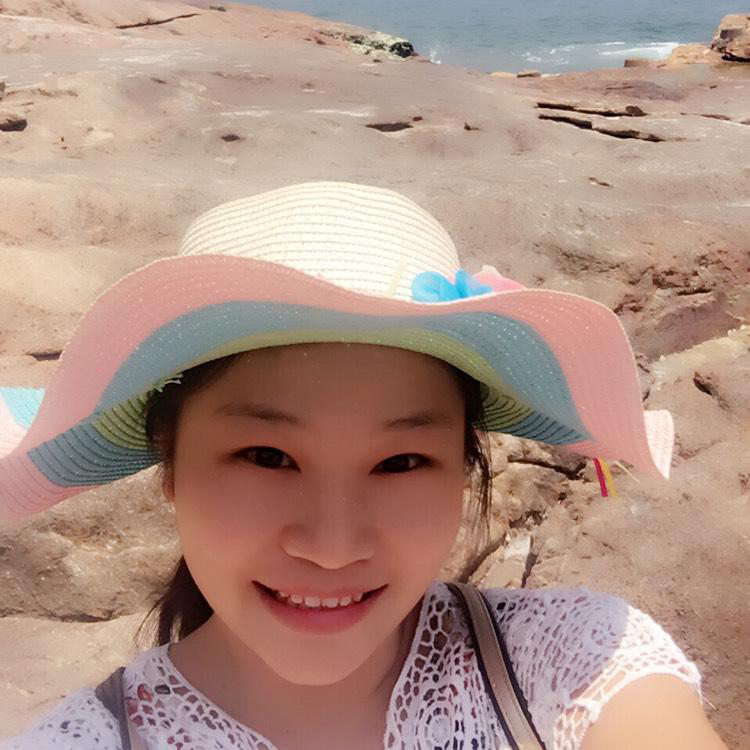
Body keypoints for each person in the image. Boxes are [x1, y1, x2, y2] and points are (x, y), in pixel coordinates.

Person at [0, 181, 729, 750]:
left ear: (465, 467)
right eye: (267, 456)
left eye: (401, 461)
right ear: (170, 461)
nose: (332, 545)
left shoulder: (575, 662)